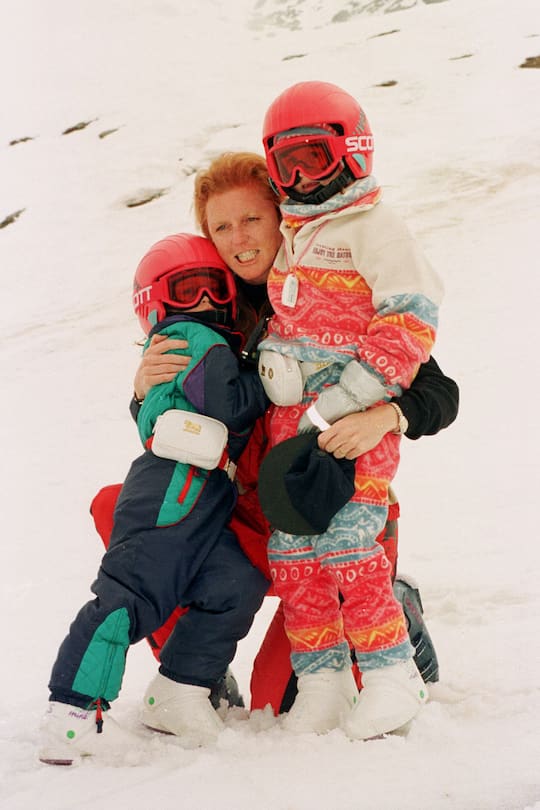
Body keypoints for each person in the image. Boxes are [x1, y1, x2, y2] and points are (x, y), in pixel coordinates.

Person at [128, 150, 458, 722]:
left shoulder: (333, 292)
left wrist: (385, 415)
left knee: (279, 698)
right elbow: (176, 436)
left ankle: (398, 616)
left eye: (252, 219)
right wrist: (141, 394)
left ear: (283, 215)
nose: (239, 238)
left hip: (338, 505)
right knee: (127, 513)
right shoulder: (211, 310)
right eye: (221, 227)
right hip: (259, 517)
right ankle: (194, 670)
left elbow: (438, 387)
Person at [255, 79, 444, 739]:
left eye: (316, 156)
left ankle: (393, 675)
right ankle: (323, 683)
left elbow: (409, 325)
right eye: (288, 164)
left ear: (353, 150)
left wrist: (349, 402)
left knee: (345, 540)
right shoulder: (293, 231)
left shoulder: (376, 226)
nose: (303, 176)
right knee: (294, 552)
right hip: (294, 418)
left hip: (354, 419)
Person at [39, 233, 270, 765]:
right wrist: (270, 379)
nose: (204, 303)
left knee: (235, 584)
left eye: (214, 288)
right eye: (187, 290)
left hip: (200, 494)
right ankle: (72, 715)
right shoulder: (193, 337)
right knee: (131, 595)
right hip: (173, 489)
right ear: (156, 301)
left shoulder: (196, 341)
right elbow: (228, 403)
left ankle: (179, 689)